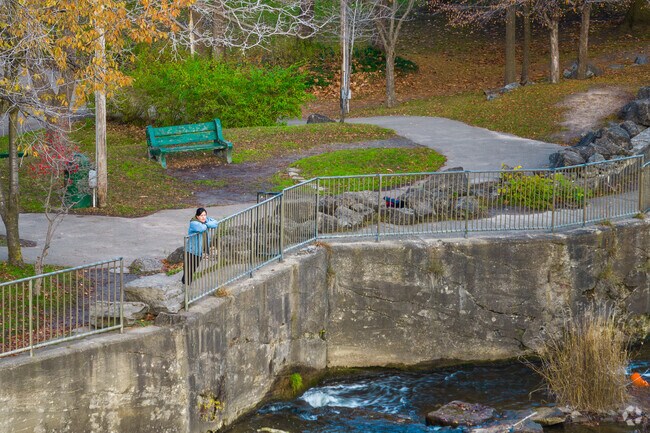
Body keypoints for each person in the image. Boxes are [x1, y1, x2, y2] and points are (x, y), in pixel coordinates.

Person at [181, 207, 219, 285]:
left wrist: (206, 223)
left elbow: (215, 223)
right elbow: (201, 228)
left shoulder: (205, 220)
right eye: (201, 215)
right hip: (190, 251)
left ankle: (185, 285)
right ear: (197, 216)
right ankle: (186, 287)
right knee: (188, 269)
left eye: (205, 215)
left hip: (199, 251)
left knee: (193, 269)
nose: (203, 217)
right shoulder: (193, 223)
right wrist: (207, 225)